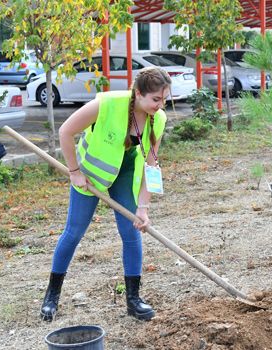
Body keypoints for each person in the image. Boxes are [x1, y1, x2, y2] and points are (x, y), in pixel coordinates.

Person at [40, 67, 171, 322]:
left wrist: (143, 207)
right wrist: (75, 171)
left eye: (164, 99)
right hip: (91, 175)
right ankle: (52, 295)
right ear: (139, 93)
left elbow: (151, 166)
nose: (160, 105)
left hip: (124, 173)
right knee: (74, 231)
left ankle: (133, 300)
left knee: (132, 232)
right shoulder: (107, 104)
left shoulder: (158, 119)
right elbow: (66, 131)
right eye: (156, 99)